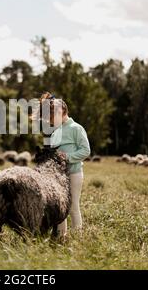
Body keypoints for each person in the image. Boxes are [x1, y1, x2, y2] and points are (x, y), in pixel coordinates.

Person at [42, 92, 91, 237]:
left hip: (74, 173)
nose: (50, 121)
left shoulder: (76, 128)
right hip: (58, 175)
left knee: (73, 207)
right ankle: (61, 237)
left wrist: (67, 157)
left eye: (52, 117)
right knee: (60, 207)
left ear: (61, 111)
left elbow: (86, 150)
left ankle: (77, 237)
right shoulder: (55, 131)